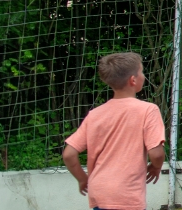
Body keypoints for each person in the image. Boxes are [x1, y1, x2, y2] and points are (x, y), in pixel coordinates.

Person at [63, 52, 166, 210]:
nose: (144, 75)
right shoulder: (148, 110)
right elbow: (157, 154)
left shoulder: (95, 115)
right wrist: (156, 166)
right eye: (142, 71)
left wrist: (83, 179)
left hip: (99, 193)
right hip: (128, 195)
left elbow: (69, 154)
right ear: (133, 80)